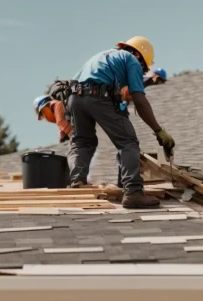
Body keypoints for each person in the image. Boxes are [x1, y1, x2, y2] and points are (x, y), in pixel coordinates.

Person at [67, 36, 176, 209]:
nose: (140, 72)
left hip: (74, 97)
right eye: (143, 68)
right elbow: (139, 100)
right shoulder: (131, 59)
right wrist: (158, 130)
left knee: (82, 142)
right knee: (128, 142)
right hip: (97, 96)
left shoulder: (105, 55)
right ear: (140, 55)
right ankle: (133, 192)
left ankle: (77, 184)